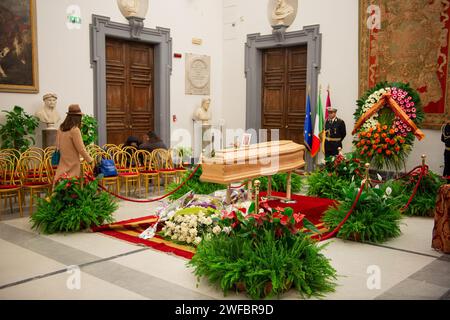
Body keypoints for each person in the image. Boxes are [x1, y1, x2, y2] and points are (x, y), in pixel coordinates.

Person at [53, 104, 94, 185]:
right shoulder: (75, 130)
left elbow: (57, 145)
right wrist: (90, 160)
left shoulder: (61, 128)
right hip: (73, 164)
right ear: (77, 118)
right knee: (73, 189)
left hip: (63, 162)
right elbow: (81, 149)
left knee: (61, 186)